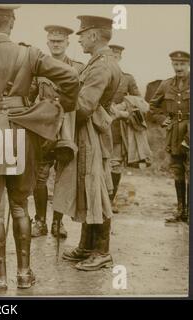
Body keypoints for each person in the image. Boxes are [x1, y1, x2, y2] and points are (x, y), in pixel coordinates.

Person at [0, 4, 79, 295]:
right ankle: (24, 274)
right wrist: (59, 107)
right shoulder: (30, 54)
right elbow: (71, 78)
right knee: (20, 206)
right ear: (12, 23)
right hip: (23, 133)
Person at [60, 15, 122, 271]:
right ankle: (87, 245)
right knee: (89, 187)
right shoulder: (99, 62)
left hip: (90, 133)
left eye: (83, 34)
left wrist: (59, 103)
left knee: (96, 189)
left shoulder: (100, 66)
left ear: (94, 35)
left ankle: (102, 251)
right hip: (91, 132)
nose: (80, 38)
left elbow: (84, 106)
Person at [29, 25, 84, 239]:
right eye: (52, 41)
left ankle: (58, 223)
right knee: (40, 178)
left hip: (68, 131)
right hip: (44, 131)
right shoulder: (38, 68)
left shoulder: (78, 68)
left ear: (68, 43)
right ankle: (40, 221)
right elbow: (30, 95)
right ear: (47, 43)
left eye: (60, 41)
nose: (56, 44)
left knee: (64, 178)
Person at [150, 51, 190, 224]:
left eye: (182, 64)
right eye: (176, 64)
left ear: (188, 64)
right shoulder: (166, 85)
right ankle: (181, 211)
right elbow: (153, 106)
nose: (179, 67)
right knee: (178, 170)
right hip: (174, 132)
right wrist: (162, 119)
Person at [109, 44, 142, 213]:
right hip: (96, 126)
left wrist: (122, 106)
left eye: (116, 56)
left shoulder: (127, 78)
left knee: (114, 165)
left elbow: (139, 102)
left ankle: (109, 200)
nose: (113, 59)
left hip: (116, 129)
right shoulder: (97, 74)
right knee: (96, 165)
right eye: (111, 55)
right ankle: (96, 200)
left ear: (120, 58)